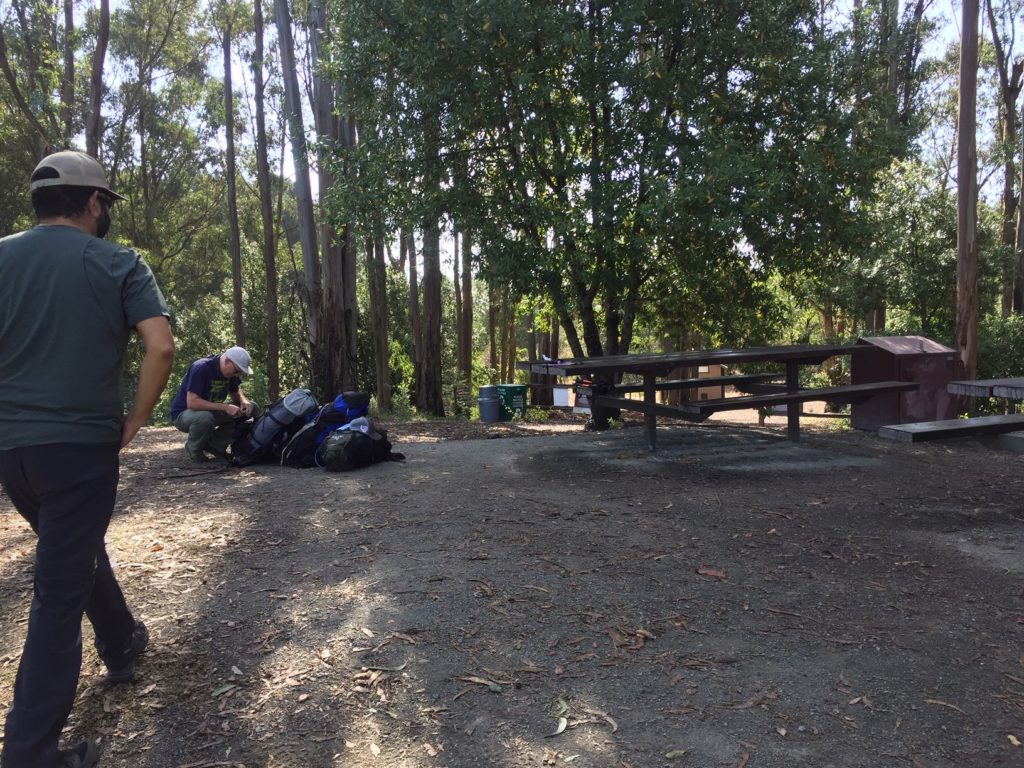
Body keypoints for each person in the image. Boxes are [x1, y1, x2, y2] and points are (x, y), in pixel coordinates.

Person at [0, 151, 174, 768]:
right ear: (94, 202)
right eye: (107, 204)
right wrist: (135, 419)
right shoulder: (117, 262)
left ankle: (121, 643)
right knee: (57, 588)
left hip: (12, 452)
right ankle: (28, 752)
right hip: (79, 447)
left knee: (72, 549)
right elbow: (160, 347)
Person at [170, 347, 257, 462]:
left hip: (209, 411)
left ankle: (215, 445)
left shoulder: (230, 374)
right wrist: (225, 407)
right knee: (204, 418)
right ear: (227, 361)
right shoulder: (201, 367)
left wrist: (244, 401)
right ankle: (195, 451)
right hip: (184, 414)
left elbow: (236, 391)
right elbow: (192, 402)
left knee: (251, 409)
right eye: (237, 371)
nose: (237, 375)